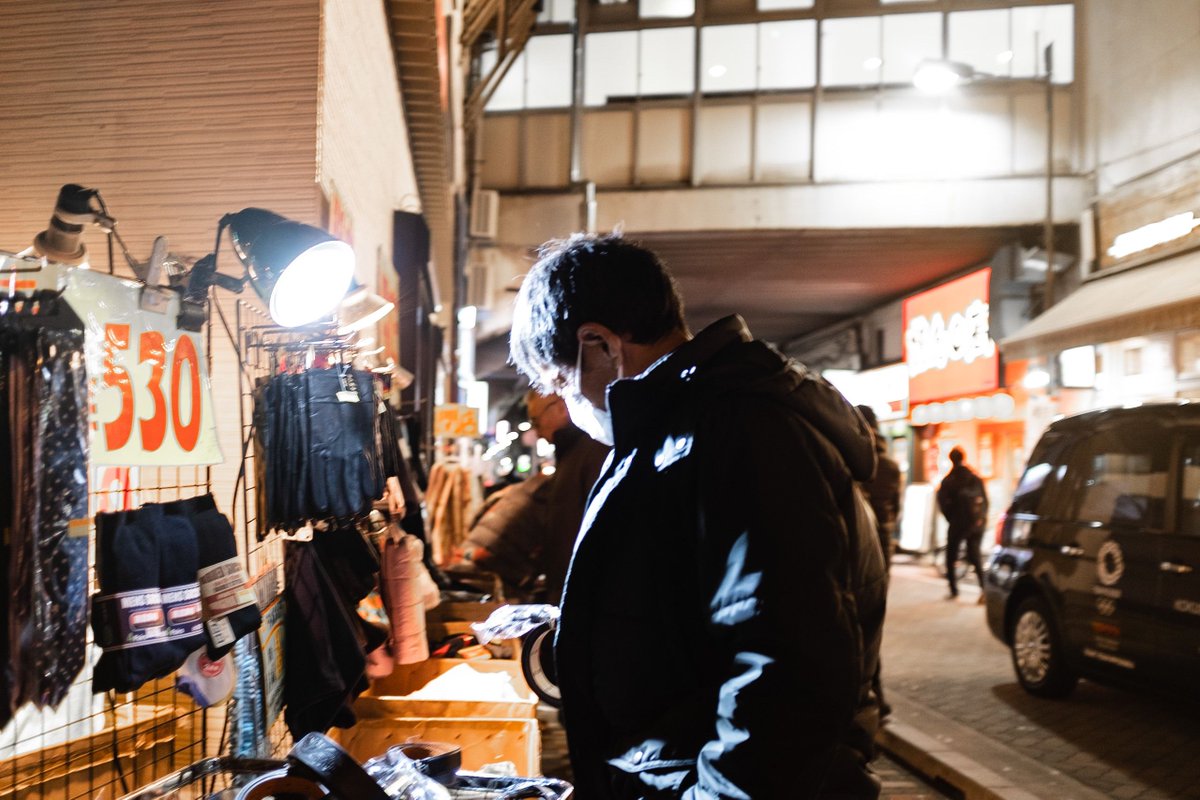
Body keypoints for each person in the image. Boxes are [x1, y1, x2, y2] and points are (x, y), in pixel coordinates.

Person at [509, 233, 888, 800]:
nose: (568, 406)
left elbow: (784, 670)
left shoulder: (744, 433)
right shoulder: (671, 431)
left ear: (599, 344)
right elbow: (685, 617)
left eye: (561, 382)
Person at [461, 392, 608, 603]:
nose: (536, 432)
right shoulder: (574, 456)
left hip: (582, 594)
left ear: (560, 407)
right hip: (569, 590)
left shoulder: (590, 454)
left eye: (535, 421)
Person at [936, 446, 988, 603]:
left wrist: (951, 518)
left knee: (951, 556)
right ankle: (984, 590)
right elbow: (985, 501)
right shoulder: (974, 477)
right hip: (975, 523)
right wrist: (980, 519)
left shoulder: (948, 480)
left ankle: (953, 589)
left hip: (957, 524)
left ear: (951, 459)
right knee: (975, 556)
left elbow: (942, 503)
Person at [855, 405, 902, 571]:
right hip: (883, 530)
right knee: (880, 583)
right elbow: (896, 506)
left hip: (857, 532)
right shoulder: (891, 466)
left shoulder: (849, 461)